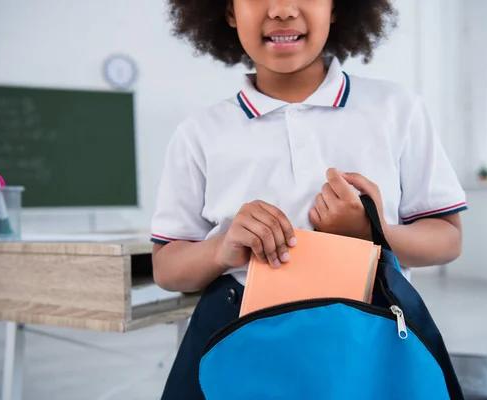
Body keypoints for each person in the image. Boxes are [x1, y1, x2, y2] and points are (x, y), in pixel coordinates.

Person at [151, 0, 467, 398]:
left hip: (365, 337)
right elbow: (166, 267)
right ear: (228, 12)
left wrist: (374, 233)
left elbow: (448, 238)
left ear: (337, 7)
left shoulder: (397, 109)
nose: (282, 9)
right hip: (238, 338)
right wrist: (222, 249)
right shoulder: (198, 132)